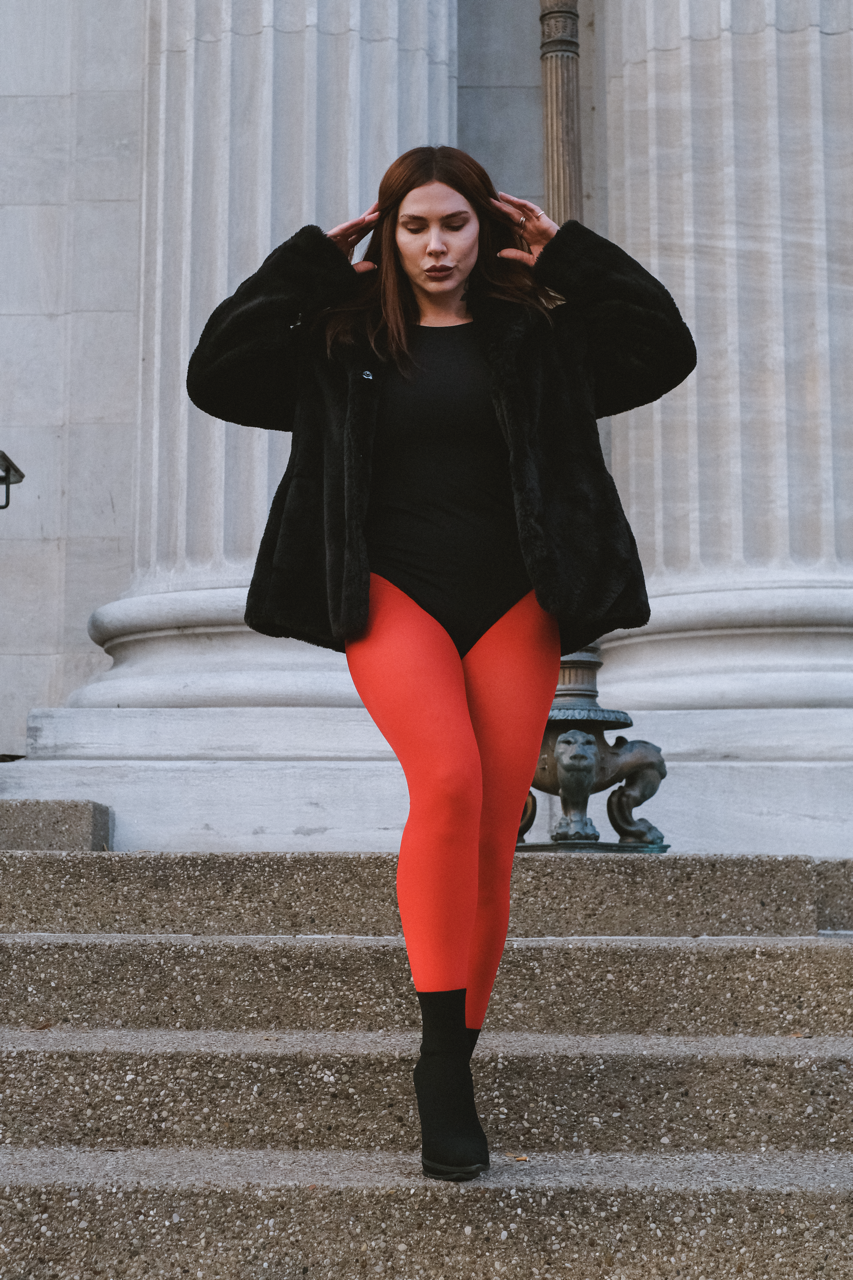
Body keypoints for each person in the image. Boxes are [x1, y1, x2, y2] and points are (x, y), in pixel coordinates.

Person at [186, 146, 696, 1181]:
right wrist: (302, 266)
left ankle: (459, 1046)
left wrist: (575, 252)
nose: (434, 246)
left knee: (494, 836)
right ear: (386, 234)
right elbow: (218, 376)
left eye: (453, 225)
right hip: (390, 592)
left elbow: (662, 351)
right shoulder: (340, 338)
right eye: (414, 226)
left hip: (514, 597)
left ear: (485, 230)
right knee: (451, 784)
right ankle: (438, 1067)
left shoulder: (538, 332)